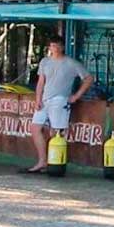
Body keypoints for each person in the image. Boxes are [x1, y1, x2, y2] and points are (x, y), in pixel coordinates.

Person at [21, 35, 93, 173]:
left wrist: (76, 96)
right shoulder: (45, 62)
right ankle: (42, 161)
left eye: (56, 45)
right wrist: (37, 99)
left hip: (60, 99)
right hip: (44, 99)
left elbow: (89, 78)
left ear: (62, 47)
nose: (53, 48)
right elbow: (41, 81)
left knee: (56, 132)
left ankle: (55, 163)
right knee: (35, 128)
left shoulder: (71, 63)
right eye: (51, 45)